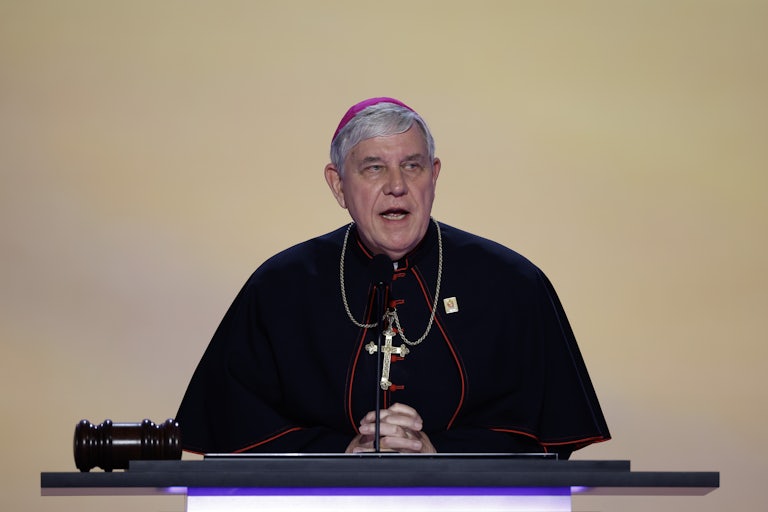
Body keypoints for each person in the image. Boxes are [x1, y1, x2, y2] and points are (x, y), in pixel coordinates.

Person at [176, 97, 610, 458]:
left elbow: (545, 435)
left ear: (433, 176)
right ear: (338, 185)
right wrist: (343, 452)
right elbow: (234, 424)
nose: (396, 185)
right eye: (374, 168)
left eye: (412, 166)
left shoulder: (512, 285)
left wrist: (438, 452)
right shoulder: (279, 288)